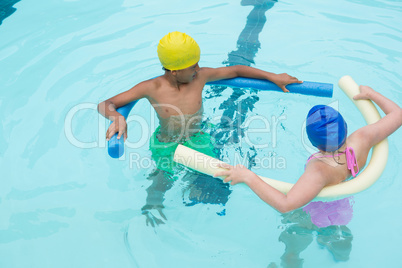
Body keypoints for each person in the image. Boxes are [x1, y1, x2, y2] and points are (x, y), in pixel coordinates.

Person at [97, 31, 301, 226]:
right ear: (174, 71)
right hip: (167, 146)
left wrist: (272, 76)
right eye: (192, 67)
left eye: (197, 64)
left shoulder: (200, 77)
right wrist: (117, 118)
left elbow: (237, 70)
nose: (198, 69)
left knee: (217, 180)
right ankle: (152, 207)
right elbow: (105, 104)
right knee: (161, 183)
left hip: (198, 138)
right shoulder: (152, 88)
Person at [215, 85, 402, 213]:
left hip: (316, 209)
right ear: (345, 126)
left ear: (314, 144)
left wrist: (248, 176)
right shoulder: (362, 139)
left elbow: (285, 205)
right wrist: (371, 94)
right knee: (340, 240)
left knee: (292, 236)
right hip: (343, 207)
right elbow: (398, 115)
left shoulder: (319, 170)